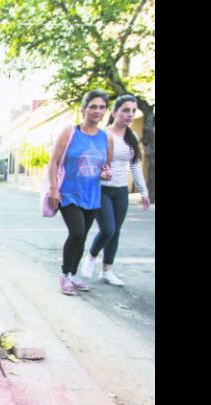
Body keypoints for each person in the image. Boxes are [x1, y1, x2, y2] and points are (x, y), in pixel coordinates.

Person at [47, 90, 114, 295]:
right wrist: (53, 188)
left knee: (83, 236)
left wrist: (106, 174)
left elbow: (106, 167)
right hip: (69, 193)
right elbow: (54, 161)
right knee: (76, 232)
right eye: (93, 106)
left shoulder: (106, 138)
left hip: (92, 195)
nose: (97, 111)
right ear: (83, 109)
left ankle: (73, 274)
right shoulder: (70, 132)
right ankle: (65, 275)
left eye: (102, 107)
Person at [80, 94, 150, 286]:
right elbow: (90, 162)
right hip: (102, 189)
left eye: (133, 111)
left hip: (121, 191)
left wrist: (143, 191)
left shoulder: (131, 136)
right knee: (108, 229)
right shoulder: (103, 135)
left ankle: (107, 270)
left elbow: (135, 165)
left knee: (116, 231)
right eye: (125, 110)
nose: (130, 115)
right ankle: (91, 257)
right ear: (114, 112)